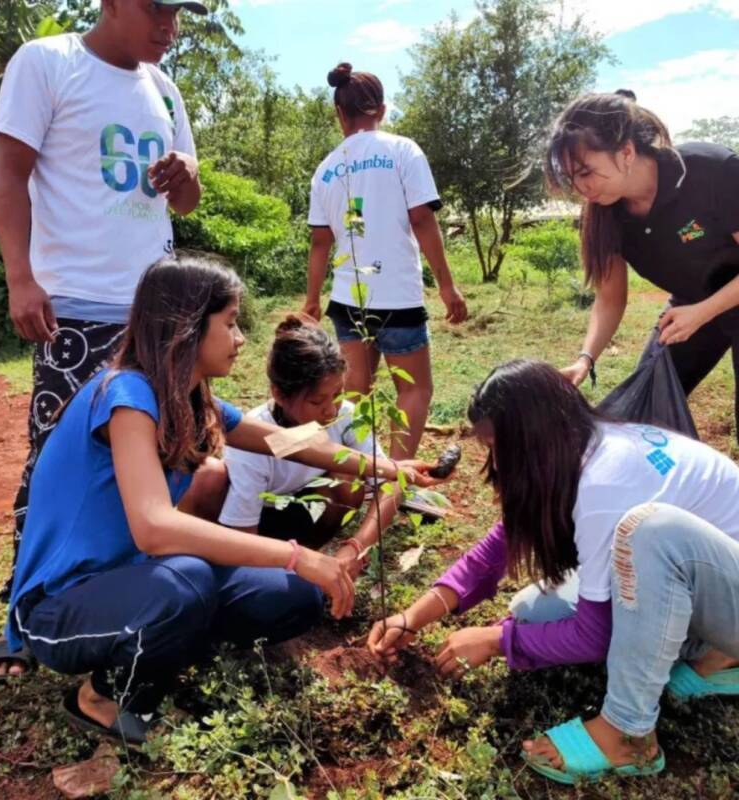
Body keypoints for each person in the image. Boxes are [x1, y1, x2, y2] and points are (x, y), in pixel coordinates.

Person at [6, 255, 441, 745]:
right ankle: (101, 697)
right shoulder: (126, 395)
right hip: (60, 605)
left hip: (135, 578)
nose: (240, 339)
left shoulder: (190, 396)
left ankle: (168, 647)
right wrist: (298, 556)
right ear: (187, 328)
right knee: (187, 579)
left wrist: (385, 467)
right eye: (231, 324)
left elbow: (285, 439)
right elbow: (156, 528)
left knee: (295, 596)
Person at [368, 360, 739, 783]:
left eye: (497, 447)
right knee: (535, 608)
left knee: (650, 531)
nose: (496, 462)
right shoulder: (583, 447)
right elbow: (497, 547)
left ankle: (628, 735)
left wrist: (495, 640)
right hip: (712, 587)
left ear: (532, 437)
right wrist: (413, 616)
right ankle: (713, 654)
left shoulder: (603, 481)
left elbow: (595, 633)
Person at [0, 0, 205, 676]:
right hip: (75, 308)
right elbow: (10, 173)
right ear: (110, 3)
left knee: (169, 449)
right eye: (155, 9)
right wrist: (21, 277)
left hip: (158, 314)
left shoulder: (164, 90)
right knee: (56, 459)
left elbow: (189, 202)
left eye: (179, 12)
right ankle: (24, 619)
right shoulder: (48, 64)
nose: (169, 24)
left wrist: (185, 180)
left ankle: (127, 593)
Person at [545, 92, 739, 440]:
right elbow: (609, 298)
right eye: (572, 177)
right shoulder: (605, 212)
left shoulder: (710, 171)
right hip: (692, 305)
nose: (581, 187)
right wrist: (584, 360)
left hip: (715, 300)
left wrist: (703, 312)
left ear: (627, 152)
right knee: (646, 409)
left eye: (587, 171)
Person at [303, 62, 468, 462]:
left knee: (356, 389)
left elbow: (320, 242)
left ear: (339, 114)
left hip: (346, 300)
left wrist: (310, 300)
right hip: (398, 299)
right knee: (413, 389)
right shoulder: (402, 151)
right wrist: (447, 285)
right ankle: (397, 478)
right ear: (381, 109)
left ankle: (362, 471)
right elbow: (422, 219)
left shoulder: (325, 170)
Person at [216, 314, 402, 579]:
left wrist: (355, 547)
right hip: (262, 529)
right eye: (317, 402)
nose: (331, 410)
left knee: (348, 476)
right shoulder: (252, 440)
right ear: (279, 394)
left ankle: (314, 554)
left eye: (338, 395)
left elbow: (390, 481)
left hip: (310, 515)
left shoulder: (347, 416)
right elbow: (241, 533)